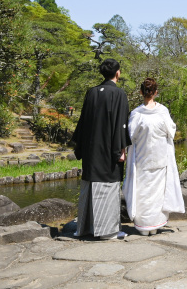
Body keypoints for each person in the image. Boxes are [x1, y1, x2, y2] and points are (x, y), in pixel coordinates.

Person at [71, 58, 132, 240]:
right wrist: (120, 150)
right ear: (118, 73)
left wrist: (80, 148)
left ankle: (85, 228)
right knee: (108, 187)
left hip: (91, 151)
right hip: (108, 150)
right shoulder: (118, 94)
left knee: (89, 186)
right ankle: (108, 231)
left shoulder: (92, 92)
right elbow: (121, 124)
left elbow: (82, 123)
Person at [122, 77, 186, 235]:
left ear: (141, 92)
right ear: (156, 93)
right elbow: (171, 131)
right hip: (159, 157)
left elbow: (130, 136)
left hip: (142, 158)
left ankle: (144, 226)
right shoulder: (162, 111)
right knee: (158, 192)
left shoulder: (137, 113)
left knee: (143, 191)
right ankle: (155, 225)